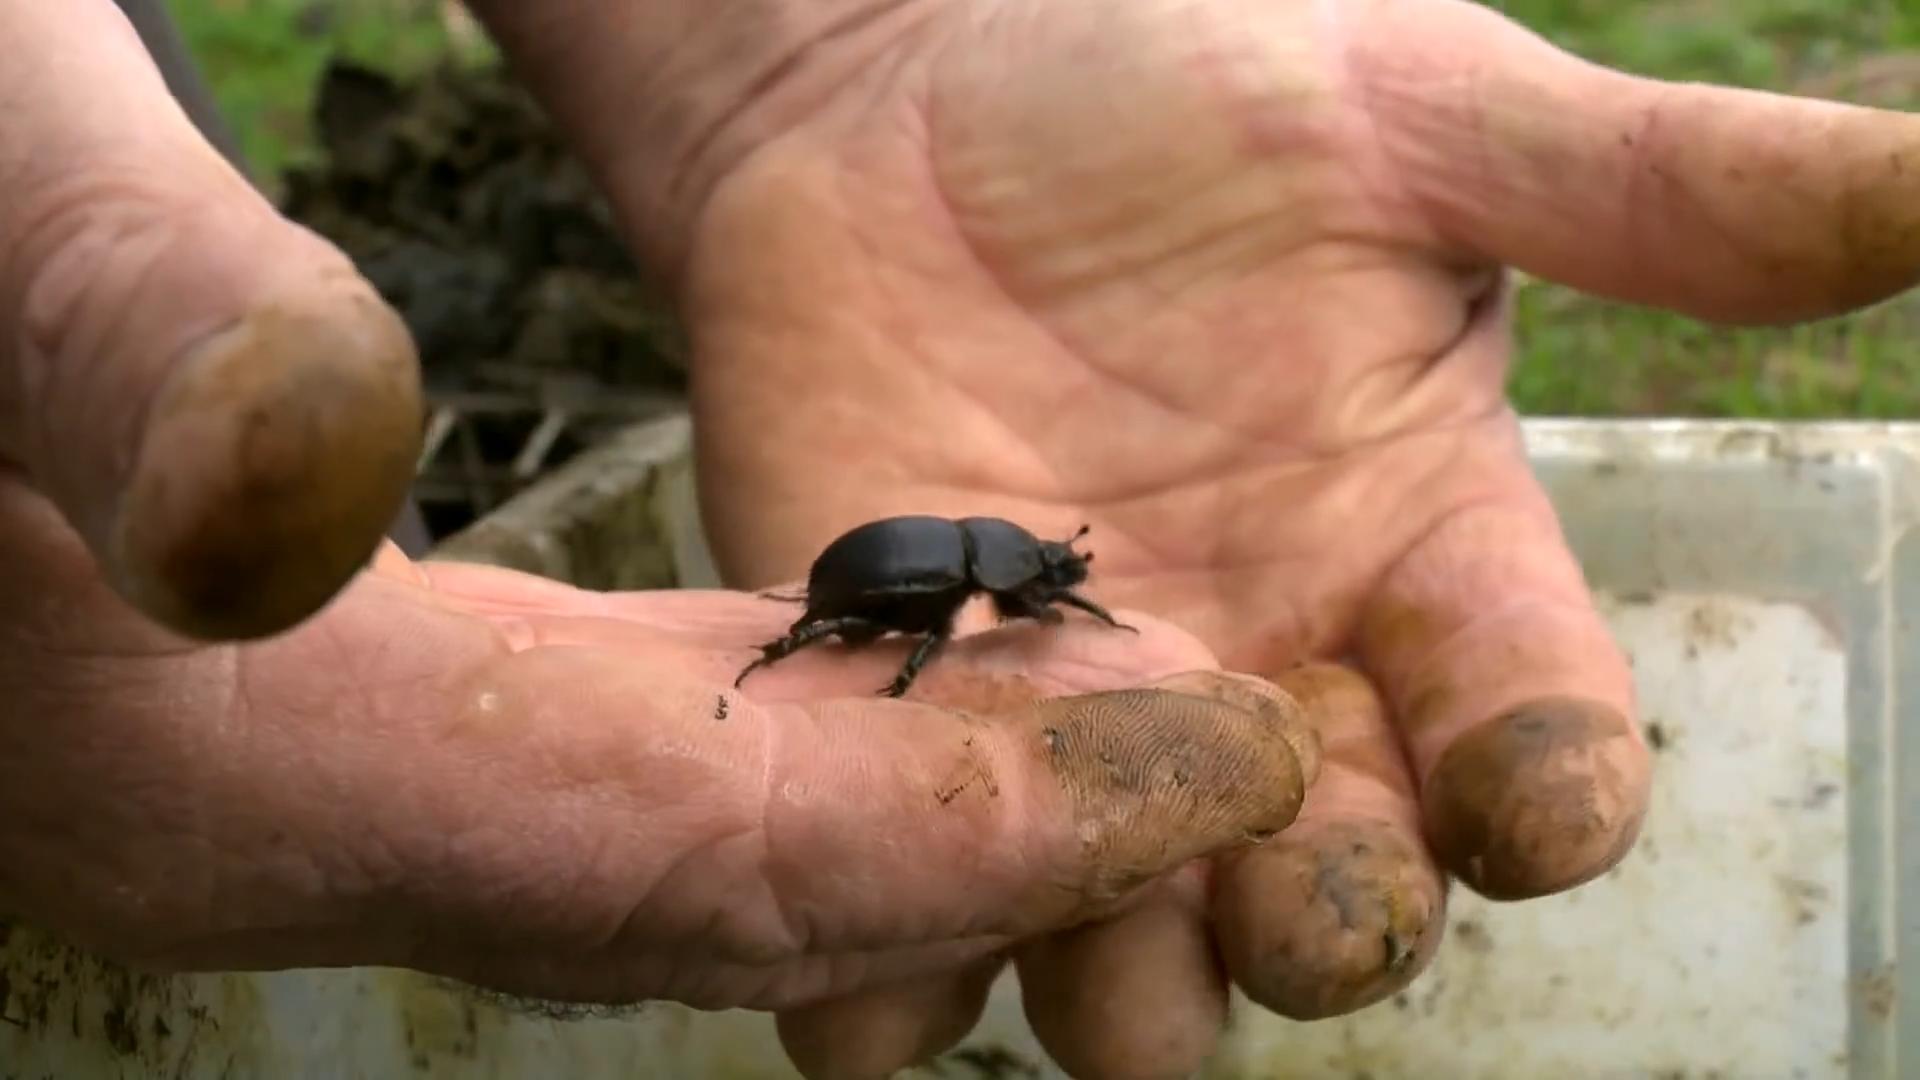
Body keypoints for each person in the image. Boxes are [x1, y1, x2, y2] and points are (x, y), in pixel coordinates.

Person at [3, 1, 1913, 1076]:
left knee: (310, 537)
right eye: (1043, 588)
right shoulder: (948, 587)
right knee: (265, 497)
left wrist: (827, 44)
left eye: (1044, 589)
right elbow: (921, 607)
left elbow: (992, 590)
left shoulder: (992, 574)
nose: (1049, 602)